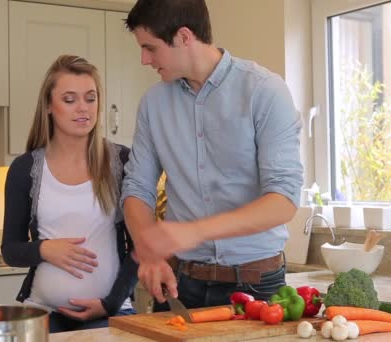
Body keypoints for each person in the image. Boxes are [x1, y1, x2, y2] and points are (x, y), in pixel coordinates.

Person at [121, 0, 304, 312]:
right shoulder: (153, 104)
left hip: (256, 285)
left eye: (150, 48)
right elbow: (137, 188)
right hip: (181, 284)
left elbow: (283, 199)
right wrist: (149, 252)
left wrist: (194, 231)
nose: (144, 59)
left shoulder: (265, 91)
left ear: (183, 37)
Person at [1, 55, 138, 332]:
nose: (83, 109)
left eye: (90, 98)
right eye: (69, 99)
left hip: (111, 312)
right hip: (43, 314)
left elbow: (140, 248)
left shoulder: (121, 162)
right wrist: (44, 248)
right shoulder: (25, 168)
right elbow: (10, 251)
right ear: (49, 106)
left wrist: (109, 304)